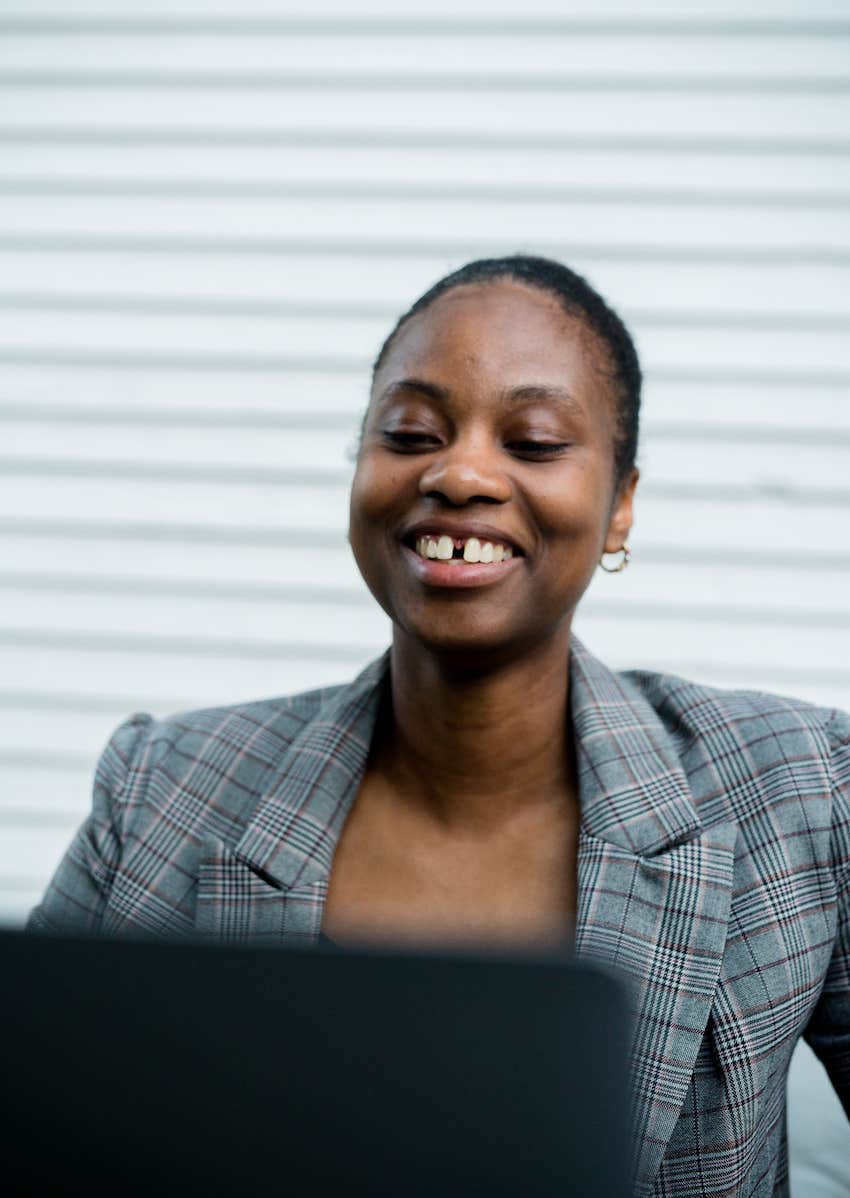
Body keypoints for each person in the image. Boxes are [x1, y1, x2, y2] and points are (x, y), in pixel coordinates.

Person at [26, 255, 849, 1195]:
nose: (459, 472)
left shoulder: (801, 790)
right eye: (410, 432)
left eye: (534, 442)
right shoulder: (160, 788)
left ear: (621, 505)